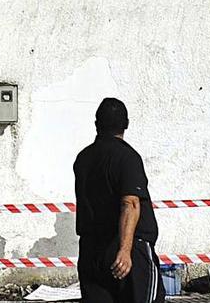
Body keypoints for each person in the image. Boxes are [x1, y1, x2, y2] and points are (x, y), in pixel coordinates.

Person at [73, 98, 165, 303]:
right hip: (128, 249)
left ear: (97, 124)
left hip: (91, 251)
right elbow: (130, 203)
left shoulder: (83, 158)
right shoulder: (127, 157)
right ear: (126, 124)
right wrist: (125, 250)